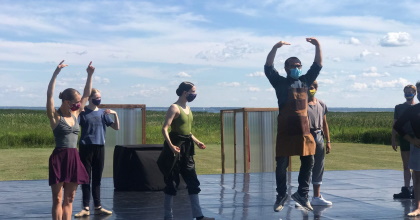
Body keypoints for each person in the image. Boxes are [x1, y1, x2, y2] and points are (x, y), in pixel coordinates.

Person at [264, 38, 322, 212]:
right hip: (285, 129)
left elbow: (318, 64)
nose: (296, 68)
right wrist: (275, 47)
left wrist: (318, 46)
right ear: (286, 68)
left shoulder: (305, 81)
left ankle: (302, 195)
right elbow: (268, 67)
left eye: (298, 65)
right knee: (281, 164)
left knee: (309, 161)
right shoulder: (279, 82)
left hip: (303, 129)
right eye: (292, 65)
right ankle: (281, 195)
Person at [157, 82, 214, 220]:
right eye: (193, 91)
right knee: (172, 182)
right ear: (185, 92)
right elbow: (165, 128)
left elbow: (188, 132)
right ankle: (167, 216)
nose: (195, 94)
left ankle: (198, 216)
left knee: (193, 181)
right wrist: (171, 146)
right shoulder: (174, 108)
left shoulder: (188, 108)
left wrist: (197, 141)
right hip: (175, 147)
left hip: (187, 148)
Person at [46, 60, 94, 220]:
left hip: (74, 158)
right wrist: (55, 73)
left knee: (70, 199)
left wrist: (90, 75)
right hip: (59, 158)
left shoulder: (76, 114)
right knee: (57, 199)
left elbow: (87, 94)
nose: (79, 104)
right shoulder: (55, 116)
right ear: (67, 102)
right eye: (76, 102)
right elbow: (49, 95)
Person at [74, 88, 120, 217]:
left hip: (99, 147)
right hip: (86, 147)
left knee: (97, 178)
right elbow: (75, 127)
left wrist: (115, 114)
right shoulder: (83, 113)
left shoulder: (103, 113)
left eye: (100, 97)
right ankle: (86, 207)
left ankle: (98, 206)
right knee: (86, 178)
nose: (98, 99)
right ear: (90, 98)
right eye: (96, 97)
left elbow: (116, 127)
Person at [394, 81, 420, 216]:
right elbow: (397, 125)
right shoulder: (410, 109)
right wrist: (411, 140)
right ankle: (417, 205)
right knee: (415, 174)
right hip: (415, 144)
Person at [306, 80, 332, 206]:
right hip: (306, 137)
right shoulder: (301, 104)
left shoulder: (321, 104)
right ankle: (303, 196)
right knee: (307, 166)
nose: (312, 87)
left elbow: (325, 123)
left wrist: (328, 141)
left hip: (319, 136)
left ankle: (316, 196)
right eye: (310, 85)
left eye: (315, 86)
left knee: (319, 166)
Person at [392, 85, 417, 199]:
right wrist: (393, 138)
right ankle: (407, 188)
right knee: (406, 165)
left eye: (410, 92)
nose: (408, 94)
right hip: (405, 138)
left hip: (417, 138)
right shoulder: (399, 107)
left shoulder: (418, 107)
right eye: (406, 92)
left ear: (415, 93)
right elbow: (395, 124)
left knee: (417, 167)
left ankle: (416, 189)